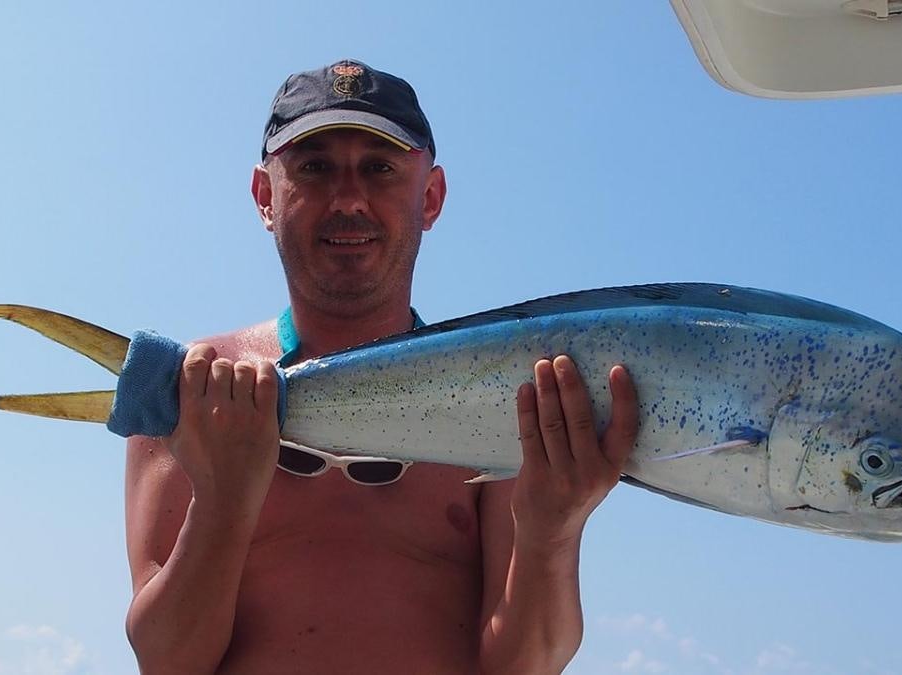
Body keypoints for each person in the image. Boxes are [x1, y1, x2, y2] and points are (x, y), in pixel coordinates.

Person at [123, 59, 640, 675]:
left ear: (431, 196)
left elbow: (523, 665)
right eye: (314, 168)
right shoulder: (193, 388)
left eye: (380, 168)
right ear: (266, 195)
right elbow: (165, 659)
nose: (349, 198)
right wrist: (225, 499)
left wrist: (555, 527)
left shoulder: (499, 400)